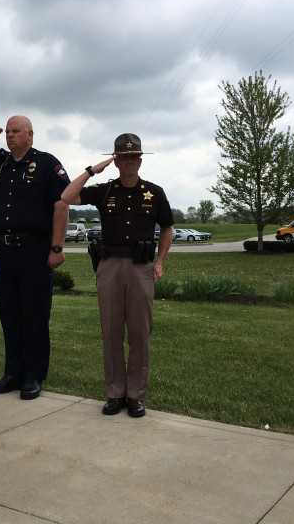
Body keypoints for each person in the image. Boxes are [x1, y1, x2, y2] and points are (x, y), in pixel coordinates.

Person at [0, 115, 70, 400]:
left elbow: (61, 206)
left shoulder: (46, 163)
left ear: (30, 135)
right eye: (7, 131)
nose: (9, 135)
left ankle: (33, 375)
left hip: (35, 251)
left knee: (34, 315)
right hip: (5, 252)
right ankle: (13, 373)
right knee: (9, 314)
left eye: (15, 131)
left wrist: (57, 248)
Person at [61, 133, 173, 418]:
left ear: (140, 160)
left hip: (140, 268)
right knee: (111, 332)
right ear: (115, 160)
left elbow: (168, 228)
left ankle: (135, 396)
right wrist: (91, 170)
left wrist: (160, 262)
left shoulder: (155, 192)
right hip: (109, 266)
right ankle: (115, 393)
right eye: (123, 157)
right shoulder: (105, 190)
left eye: (134, 156)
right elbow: (66, 196)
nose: (129, 162)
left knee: (139, 334)